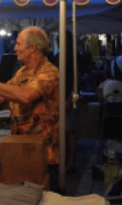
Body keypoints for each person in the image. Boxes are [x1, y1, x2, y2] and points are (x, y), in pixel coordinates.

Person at [0, 26, 60, 188]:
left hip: (44, 154)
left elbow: (25, 96)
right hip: (21, 148)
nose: (15, 48)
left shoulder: (49, 72)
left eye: (19, 44)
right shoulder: (22, 72)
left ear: (32, 47)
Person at [54, 30, 82, 174]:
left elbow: (77, 77)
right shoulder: (57, 56)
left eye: (60, 39)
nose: (58, 41)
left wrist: (70, 98)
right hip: (57, 98)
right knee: (61, 131)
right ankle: (62, 159)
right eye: (57, 39)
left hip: (69, 98)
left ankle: (71, 162)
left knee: (70, 130)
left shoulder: (73, 56)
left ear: (68, 40)